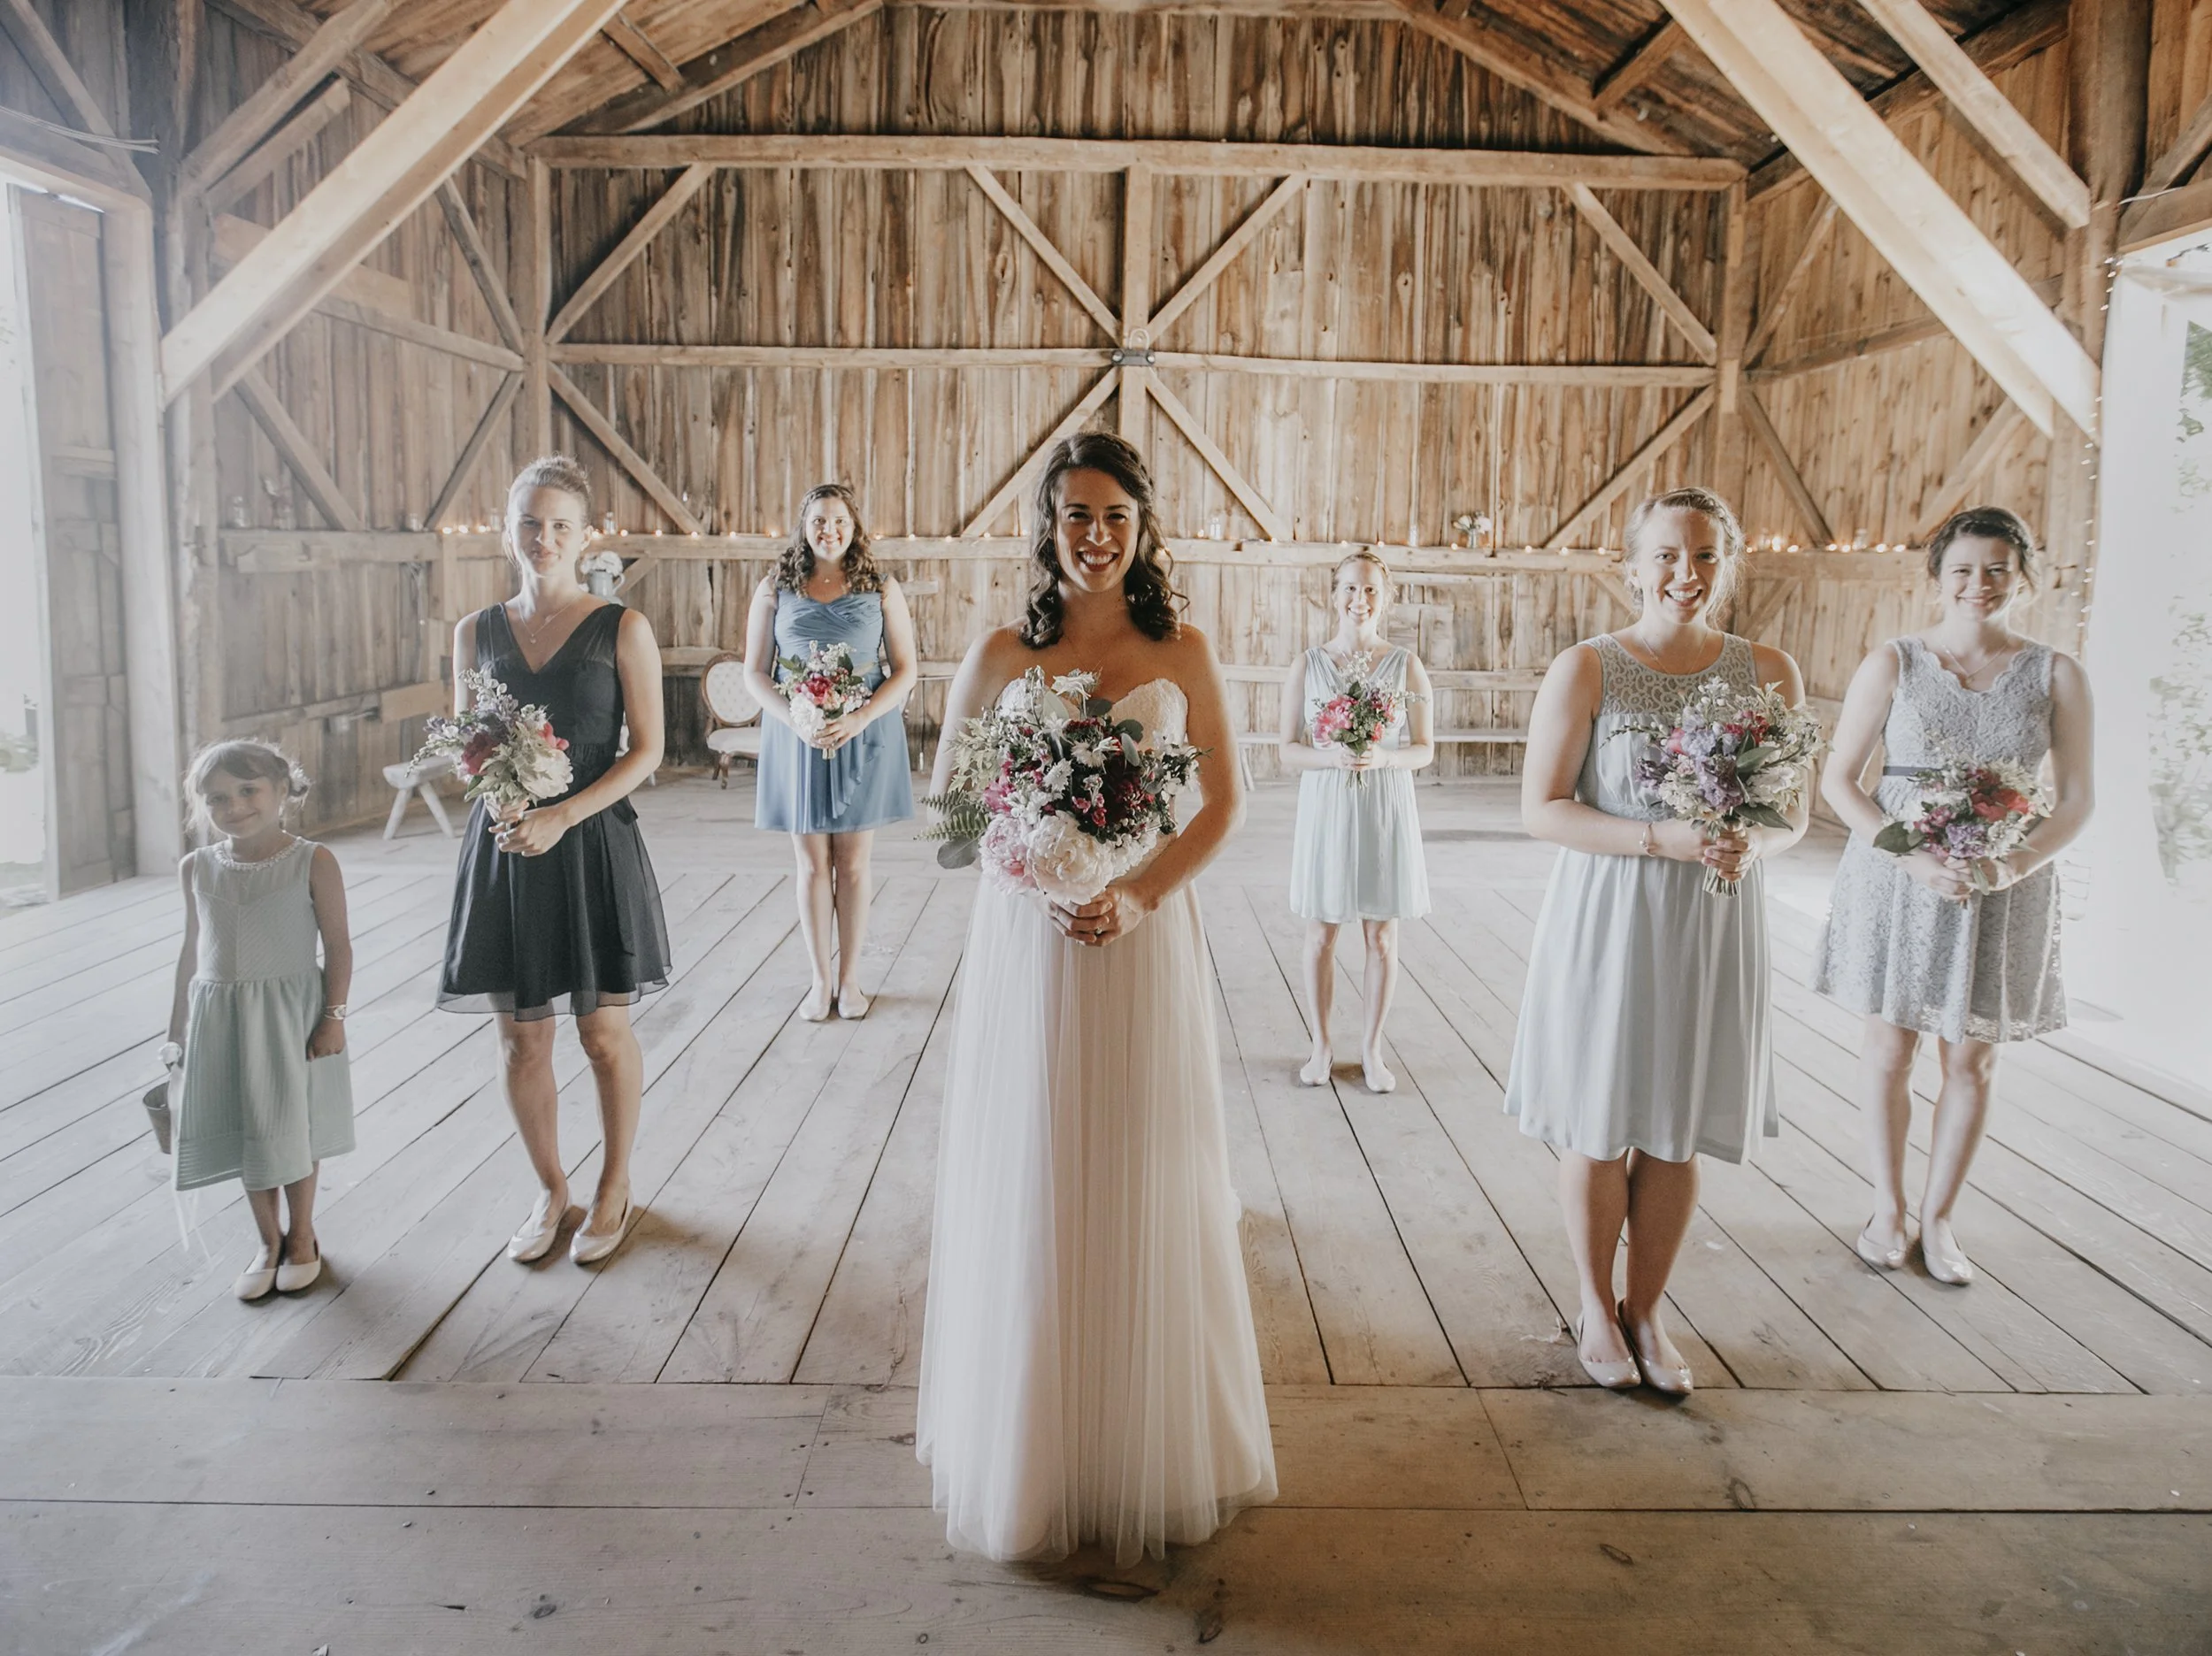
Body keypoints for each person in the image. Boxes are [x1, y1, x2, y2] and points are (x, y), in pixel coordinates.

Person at [916, 432, 1276, 1564]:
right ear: (1045, 527)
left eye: (1115, 514)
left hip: (1141, 940)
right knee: (1037, 1164)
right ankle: (1036, 1445)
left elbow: (1221, 806)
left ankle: (1146, 1436)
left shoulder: (1183, 652)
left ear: (1143, 526)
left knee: (1138, 1164)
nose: (1096, 536)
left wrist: (1136, 891)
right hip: (1030, 947)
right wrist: (1033, 859)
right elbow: (950, 810)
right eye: (1075, 515)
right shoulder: (996, 656)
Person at [1506, 487, 1808, 1396]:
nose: (1686, 574)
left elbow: (1792, 815)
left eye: (1706, 555)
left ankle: (1647, 1308)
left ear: (1728, 563)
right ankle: (1595, 1307)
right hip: (1613, 908)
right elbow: (1541, 809)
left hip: (1713, 918)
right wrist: (1660, 837)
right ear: (1631, 565)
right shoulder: (1589, 667)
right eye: (1667, 556)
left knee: (1674, 1128)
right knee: (1601, 1120)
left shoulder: (1768, 672)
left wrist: (1756, 840)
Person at [1813, 506, 2093, 1286]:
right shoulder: (1894, 662)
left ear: (2023, 578)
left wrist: (2006, 868)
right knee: (1889, 1048)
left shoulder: (2057, 674)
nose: (1980, 584)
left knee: (1971, 1058)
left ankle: (1939, 1221)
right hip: (1898, 873)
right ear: (1937, 578)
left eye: (1998, 569)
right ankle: (1888, 1208)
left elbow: (2074, 801)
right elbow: (1839, 781)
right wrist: (1909, 858)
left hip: (2003, 879)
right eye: (1963, 570)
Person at [440, 456, 671, 1268]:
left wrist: (565, 813)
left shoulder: (621, 628)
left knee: (602, 1033)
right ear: (509, 529)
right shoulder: (476, 632)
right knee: (520, 1040)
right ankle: (551, 1188)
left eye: (560, 526)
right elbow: (468, 743)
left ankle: (614, 1183)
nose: (544, 538)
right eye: (530, 523)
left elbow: (648, 751)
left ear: (584, 536)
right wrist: (495, 797)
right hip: (506, 849)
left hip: (591, 843)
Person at [165, 740, 354, 1301]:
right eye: (218, 798)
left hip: (288, 1016)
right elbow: (190, 950)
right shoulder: (196, 867)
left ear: (280, 791)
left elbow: (339, 947)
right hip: (222, 1018)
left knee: (292, 1124)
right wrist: (177, 1032)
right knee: (251, 1128)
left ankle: (303, 1236)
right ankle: (267, 1241)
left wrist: (333, 1017)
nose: (235, 806)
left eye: (248, 791)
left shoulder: (312, 860)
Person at [744, 483, 918, 1021]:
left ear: (854, 526)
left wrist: (862, 716)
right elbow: (753, 673)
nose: (829, 530)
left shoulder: (881, 586)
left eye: (839, 521)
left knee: (855, 864)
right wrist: (796, 721)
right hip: (797, 736)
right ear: (804, 526)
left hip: (862, 735)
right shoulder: (775, 586)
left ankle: (851, 981)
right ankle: (820, 981)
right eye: (818, 521)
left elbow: (906, 668)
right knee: (813, 864)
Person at [1278, 549, 1434, 1092]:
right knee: (1321, 934)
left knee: (1381, 937)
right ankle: (1321, 1047)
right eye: (1349, 588)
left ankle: (1371, 1048)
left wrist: (1385, 757)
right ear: (1333, 593)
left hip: (1384, 805)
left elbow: (1424, 748)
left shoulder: (1405, 664)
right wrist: (1332, 757)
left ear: (1384, 598)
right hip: (1328, 805)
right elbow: (1287, 750)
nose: (1359, 600)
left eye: (1370, 590)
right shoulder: (1308, 663)